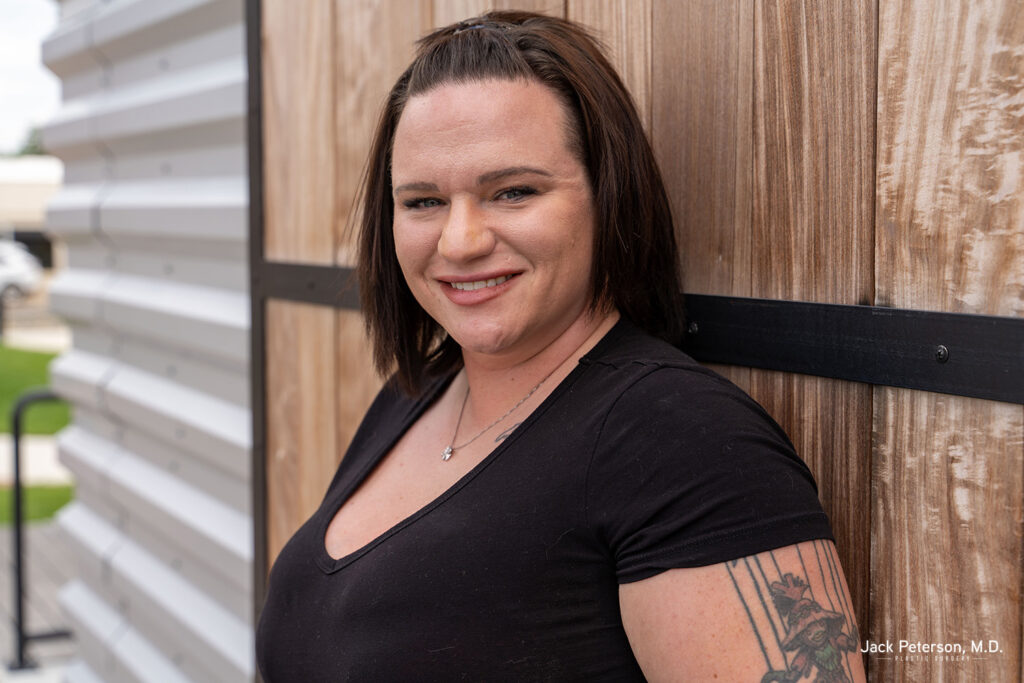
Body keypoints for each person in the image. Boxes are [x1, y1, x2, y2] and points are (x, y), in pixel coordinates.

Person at [256, 11, 866, 682]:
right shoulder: (420, 390)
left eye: (513, 191)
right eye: (424, 201)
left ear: (607, 195)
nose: (459, 241)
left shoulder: (683, 445)